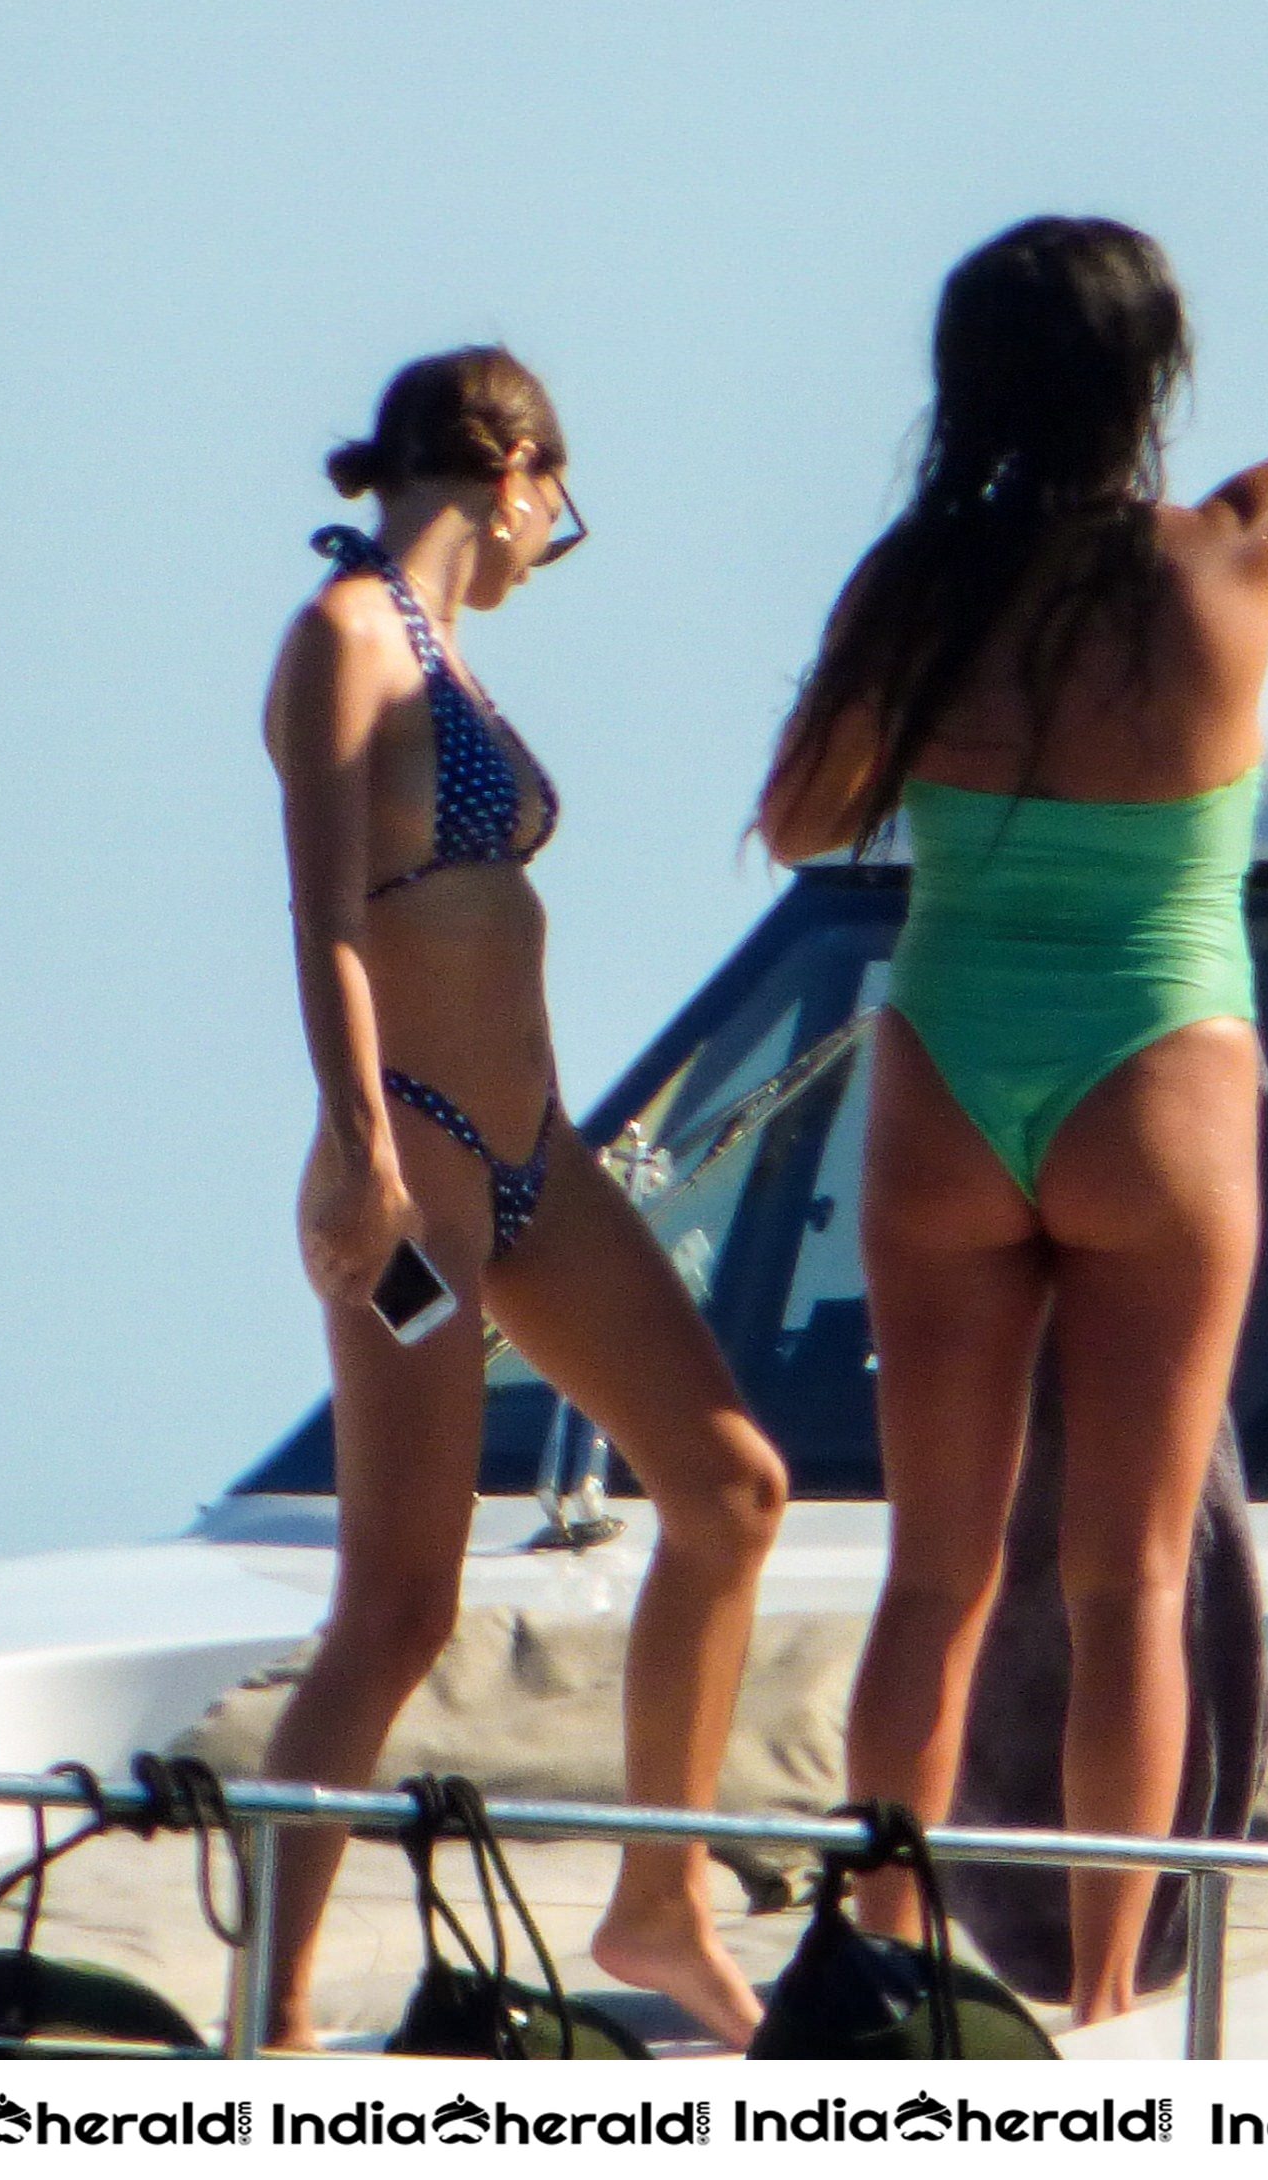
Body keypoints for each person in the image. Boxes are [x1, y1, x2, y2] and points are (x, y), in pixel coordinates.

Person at [754, 0, 1268, 2025]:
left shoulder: (910, 588)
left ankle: (884, 1963)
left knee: (930, 1578)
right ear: (1151, 377)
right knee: (1122, 1584)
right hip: (1153, 1080)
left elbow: (794, 821)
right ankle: (1105, 1994)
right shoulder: (1227, 562)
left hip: (942, 1082)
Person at [259, 348, 791, 2047]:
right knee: (402, 1596)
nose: (543, 547)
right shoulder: (345, 642)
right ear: (512, 466)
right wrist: (359, 1147)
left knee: (730, 1487)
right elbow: (328, 914)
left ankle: (660, 1900)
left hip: (533, 1170)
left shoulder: (456, 670)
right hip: (414, 1194)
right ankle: (262, 2012)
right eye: (551, 512)